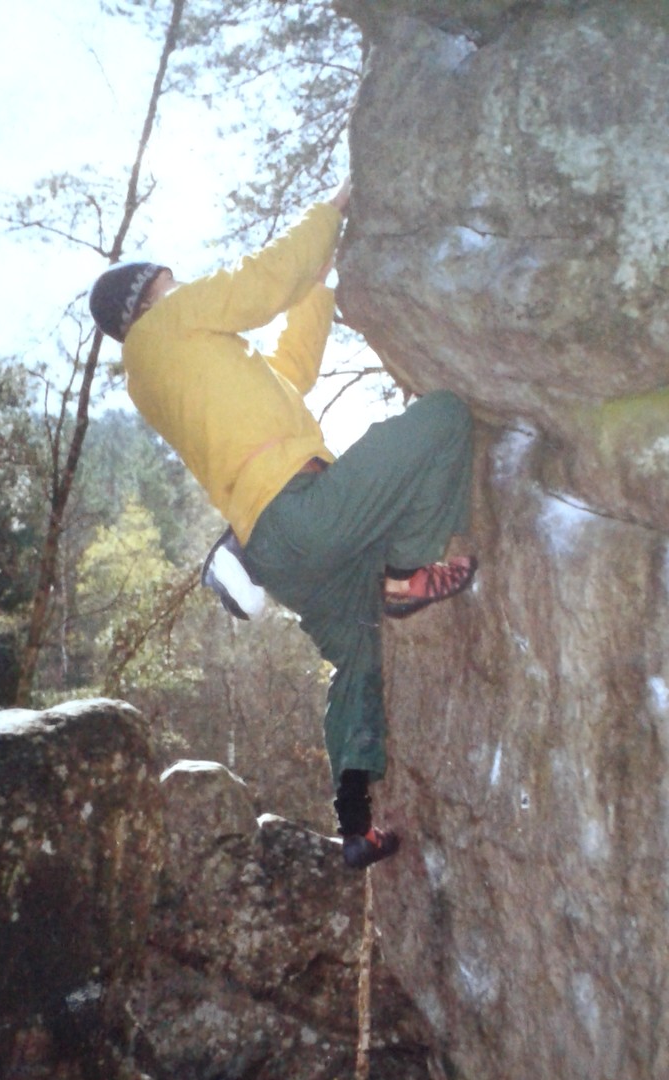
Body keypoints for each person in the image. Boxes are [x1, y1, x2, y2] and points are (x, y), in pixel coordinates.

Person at [88, 179, 476, 869]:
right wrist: (332, 209)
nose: (183, 289)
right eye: (172, 284)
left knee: (358, 655)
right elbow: (262, 281)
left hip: (281, 552)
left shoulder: (176, 370)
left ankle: (354, 824)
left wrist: (316, 288)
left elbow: (288, 372)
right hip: (301, 510)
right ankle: (403, 571)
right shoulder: (164, 329)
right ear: (147, 299)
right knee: (444, 419)